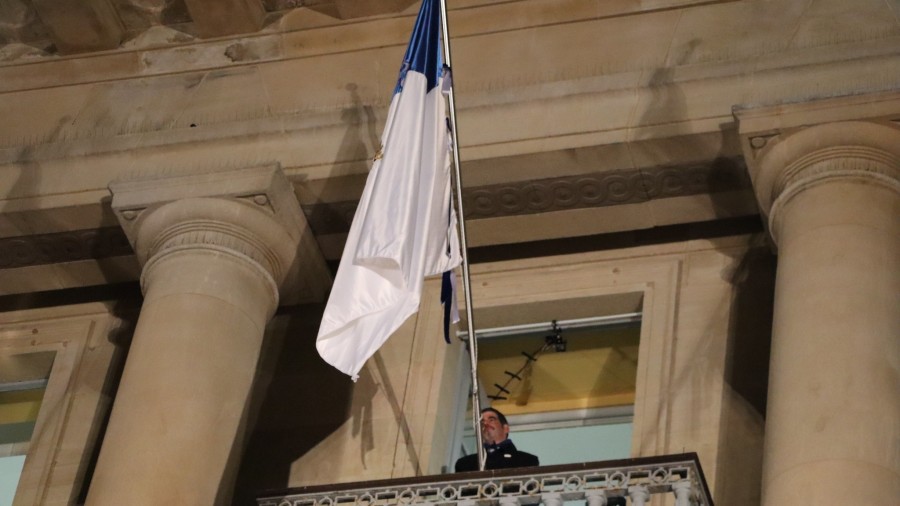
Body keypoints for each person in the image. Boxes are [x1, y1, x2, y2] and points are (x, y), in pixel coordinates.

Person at [455, 407, 539, 472]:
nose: (486, 423)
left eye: (491, 420)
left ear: (505, 428)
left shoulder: (527, 461)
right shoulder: (465, 464)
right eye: (482, 422)